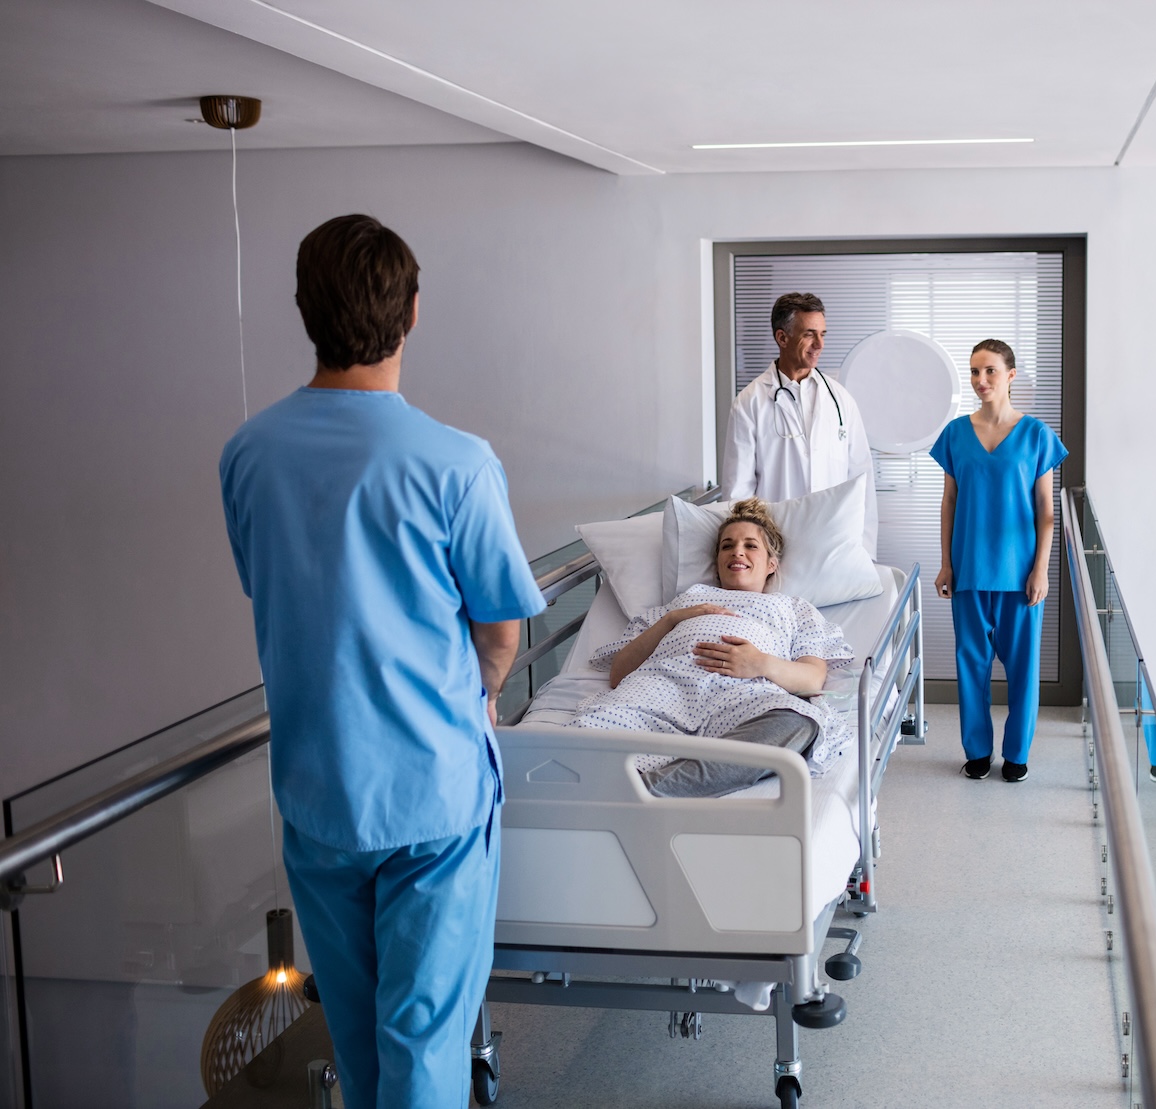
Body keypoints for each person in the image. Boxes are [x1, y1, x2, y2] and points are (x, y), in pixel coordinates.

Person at [219, 214, 546, 1109]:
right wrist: (479, 692)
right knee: (424, 1042)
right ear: (413, 311)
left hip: (320, 791)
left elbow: (272, 589)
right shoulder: (457, 464)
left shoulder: (249, 454)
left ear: (303, 309)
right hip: (433, 795)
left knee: (359, 1040)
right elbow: (502, 631)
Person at [573, 498, 854, 797]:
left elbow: (812, 678)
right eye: (727, 546)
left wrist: (759, 663)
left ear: (772, 564)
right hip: (662, 689)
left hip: (742, 696)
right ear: (718, 562)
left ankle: (645, 789)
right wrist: (671, 620)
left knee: (797, 722)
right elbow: (619, 674)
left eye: (750, 545)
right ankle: (670, 787)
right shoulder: (685, 601)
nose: (737, 551)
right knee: (583, 737)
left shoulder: (793, 608)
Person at [930, 339, 1068, 783]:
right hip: (969, 569)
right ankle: (976, 752)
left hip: (1020, 573)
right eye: (974, 371)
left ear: (1010, 375)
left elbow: (1046, 510)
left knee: (1023, 669)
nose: (980, 380)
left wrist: (1041, 569)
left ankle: (1017, 754)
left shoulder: (1036, 435)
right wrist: (946, 563)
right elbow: (950, 501)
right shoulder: (956, 434)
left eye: (990, 370)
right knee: (971, 665)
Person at [722, 292, 878, 556]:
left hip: (835, 545)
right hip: (776, 545)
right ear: (782, 338)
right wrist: (751, 555)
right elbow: (739, 492)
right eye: (809, 334)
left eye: (823, 334)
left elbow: (862, 481)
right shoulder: (749, 402)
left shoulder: (841, 400)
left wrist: (865, 552)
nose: (820, 344)